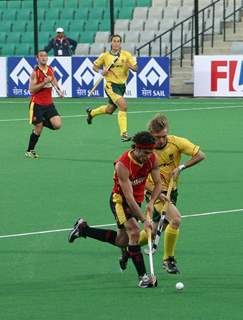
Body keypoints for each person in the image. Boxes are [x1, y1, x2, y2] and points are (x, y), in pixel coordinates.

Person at [68, 131, 165, 288]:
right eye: (146, 153)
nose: (148, 156)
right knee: (134, 232)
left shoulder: (152, 158)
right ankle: (143, 277)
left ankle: (83, 229)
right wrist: (143, 220)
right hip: (120, 201)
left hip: (138, 200)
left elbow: (158, 183)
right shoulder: (123, 164)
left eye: (151, 152)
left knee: (122, 241)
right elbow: (128, 198)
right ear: (136, 148)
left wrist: (152, 201)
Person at [138, 114, 206, 274]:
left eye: (163, 136)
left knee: (154, 230)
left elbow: (200, 155)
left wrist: (181, 167)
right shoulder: (145, 151)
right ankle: (168, 260)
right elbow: (138, 179)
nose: (161, 140)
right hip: (154, 192)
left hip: (172, 191)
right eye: (157, 137)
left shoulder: (176, 142)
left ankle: (130, 246)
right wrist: (155, 191)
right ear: (150, 135)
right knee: (175, 220)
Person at [86, 34, 137, 142]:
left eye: (118, 41)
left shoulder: (126, 55)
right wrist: (101, 71)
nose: (116, 43)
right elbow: (94, 66)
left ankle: (92, 113)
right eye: (114, 41)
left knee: (110, 110)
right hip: (110, 85)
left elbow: (136, 68)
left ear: (120, 43)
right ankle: (124, 134)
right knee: (123, 106)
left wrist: (130, 66)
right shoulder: (105, 56)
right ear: (111, 42)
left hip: (121, 86)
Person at [25, 50, 64, 158]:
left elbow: (53, 79)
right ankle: (29, 150)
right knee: (38, 127)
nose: (44, 58)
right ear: (37, 58)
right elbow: (31, 90)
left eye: (45, 56)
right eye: (41, 56)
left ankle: (40, 122)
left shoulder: (50, 69)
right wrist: (44, 82)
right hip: (37, 103)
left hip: (49, 103)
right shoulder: (35, 72)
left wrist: (58, 90)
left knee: (57, 125)